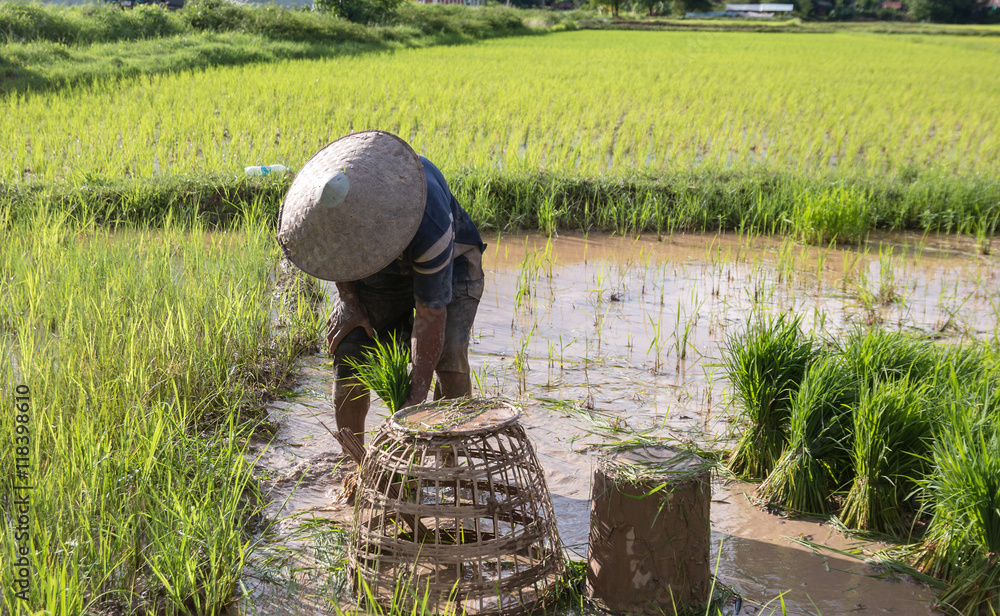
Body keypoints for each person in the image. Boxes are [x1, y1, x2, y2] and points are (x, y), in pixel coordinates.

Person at [276, 130, 485, 443]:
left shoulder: (428, 220)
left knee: (450, 356)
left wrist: (414, 400)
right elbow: (330, 253)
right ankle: (357, 465)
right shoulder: (325, 210)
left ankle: (449, 456)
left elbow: (431, 314)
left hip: (452, 265)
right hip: (375, 271)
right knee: (349, 349)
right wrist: (349, 300)